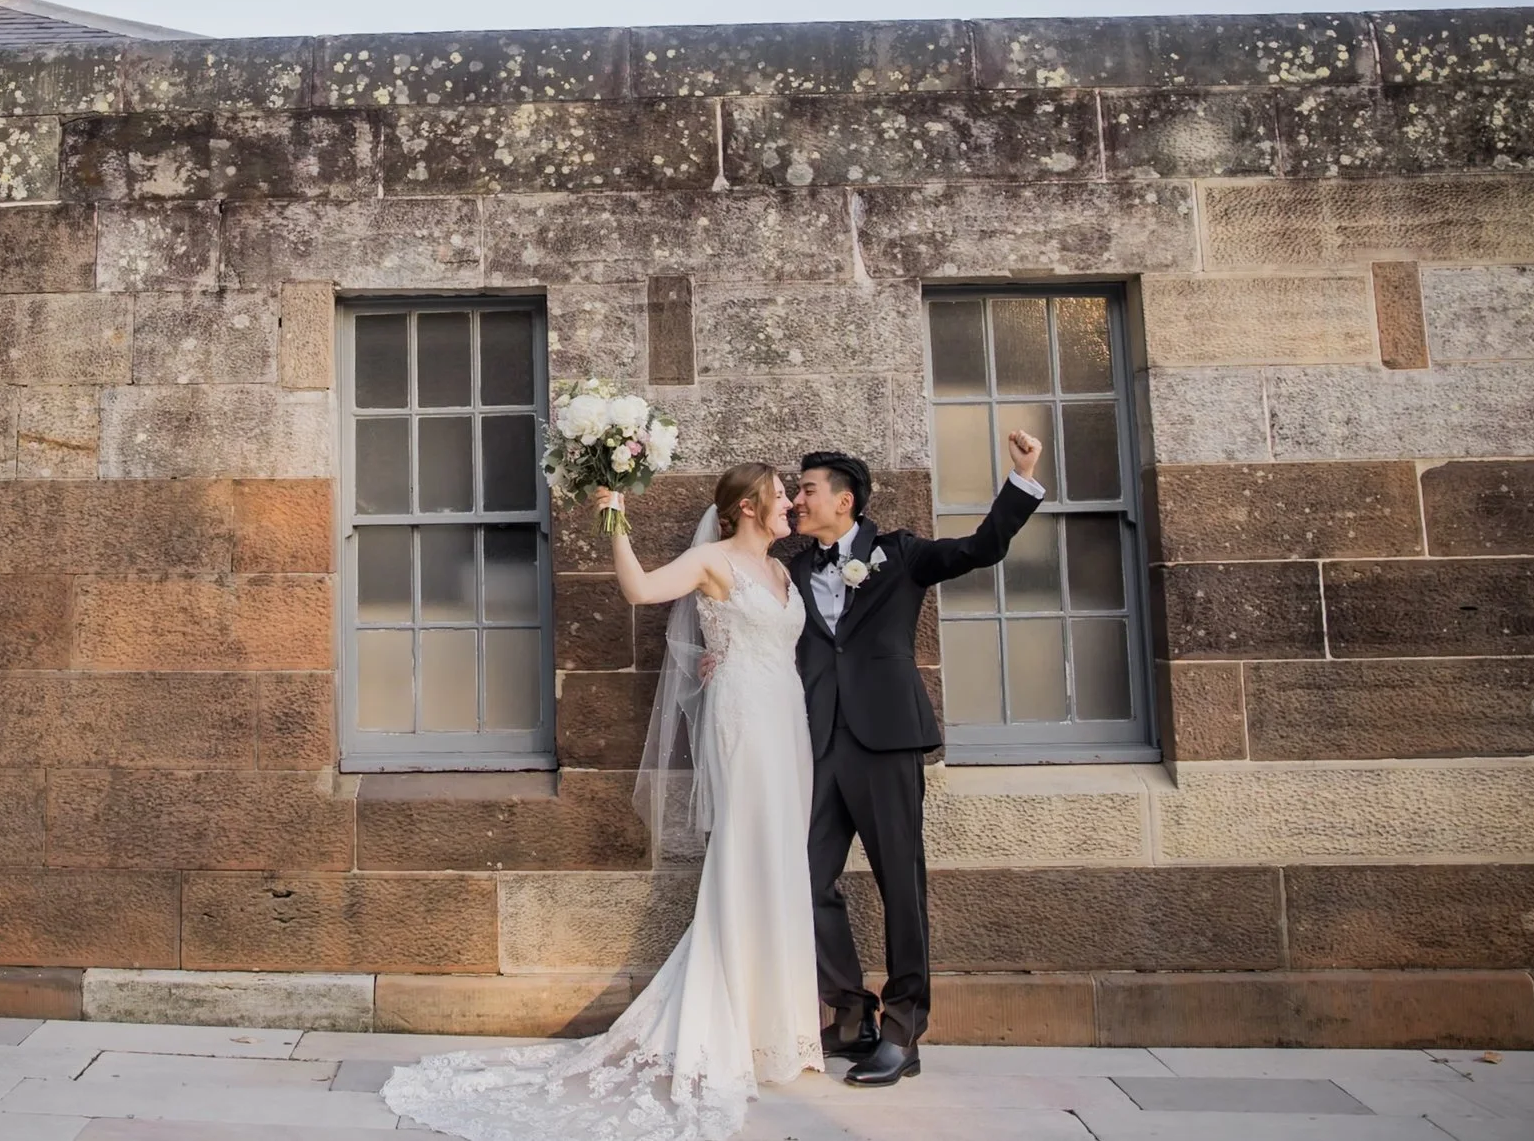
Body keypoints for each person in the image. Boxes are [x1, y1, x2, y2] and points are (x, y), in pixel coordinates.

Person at [383, 462, 821, 1141]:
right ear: (745, 506)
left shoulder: (785, 572)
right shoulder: (711, 560)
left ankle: (779, 1029)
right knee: (745, 854)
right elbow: (640, 588)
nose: (791, 502)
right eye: (780, 494)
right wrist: (615, 516)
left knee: (783, 862)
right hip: (744, 725)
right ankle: (727, 1019)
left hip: (785, 719)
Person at [787, 435, 1045, 1087]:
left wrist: (1021, 478)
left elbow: (979, 549)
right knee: (804, 880)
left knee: (901, 884)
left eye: (807, 489)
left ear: (843, 500)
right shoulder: (789, 568)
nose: (796, 499)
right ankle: (850, 1014)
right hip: (818, 743)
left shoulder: (898, 554)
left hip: (887, 738)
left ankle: (904, 1030)